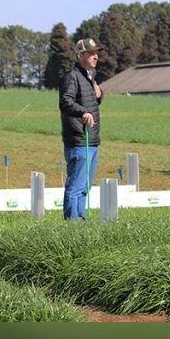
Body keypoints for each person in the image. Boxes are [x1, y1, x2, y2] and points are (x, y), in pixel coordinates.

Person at [59, 38, 105, 220]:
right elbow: (66, 102)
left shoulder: (89, 77)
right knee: (76, 187)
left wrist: (100, 96)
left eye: (97, 53)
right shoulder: (72, 77)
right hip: (79, 140)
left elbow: (89, 100)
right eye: (91, 53)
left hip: (92, 140)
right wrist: (83, 112)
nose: (96, 57)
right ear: (80, 55)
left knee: (85, 188)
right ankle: (72, 225)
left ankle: (80, 223)